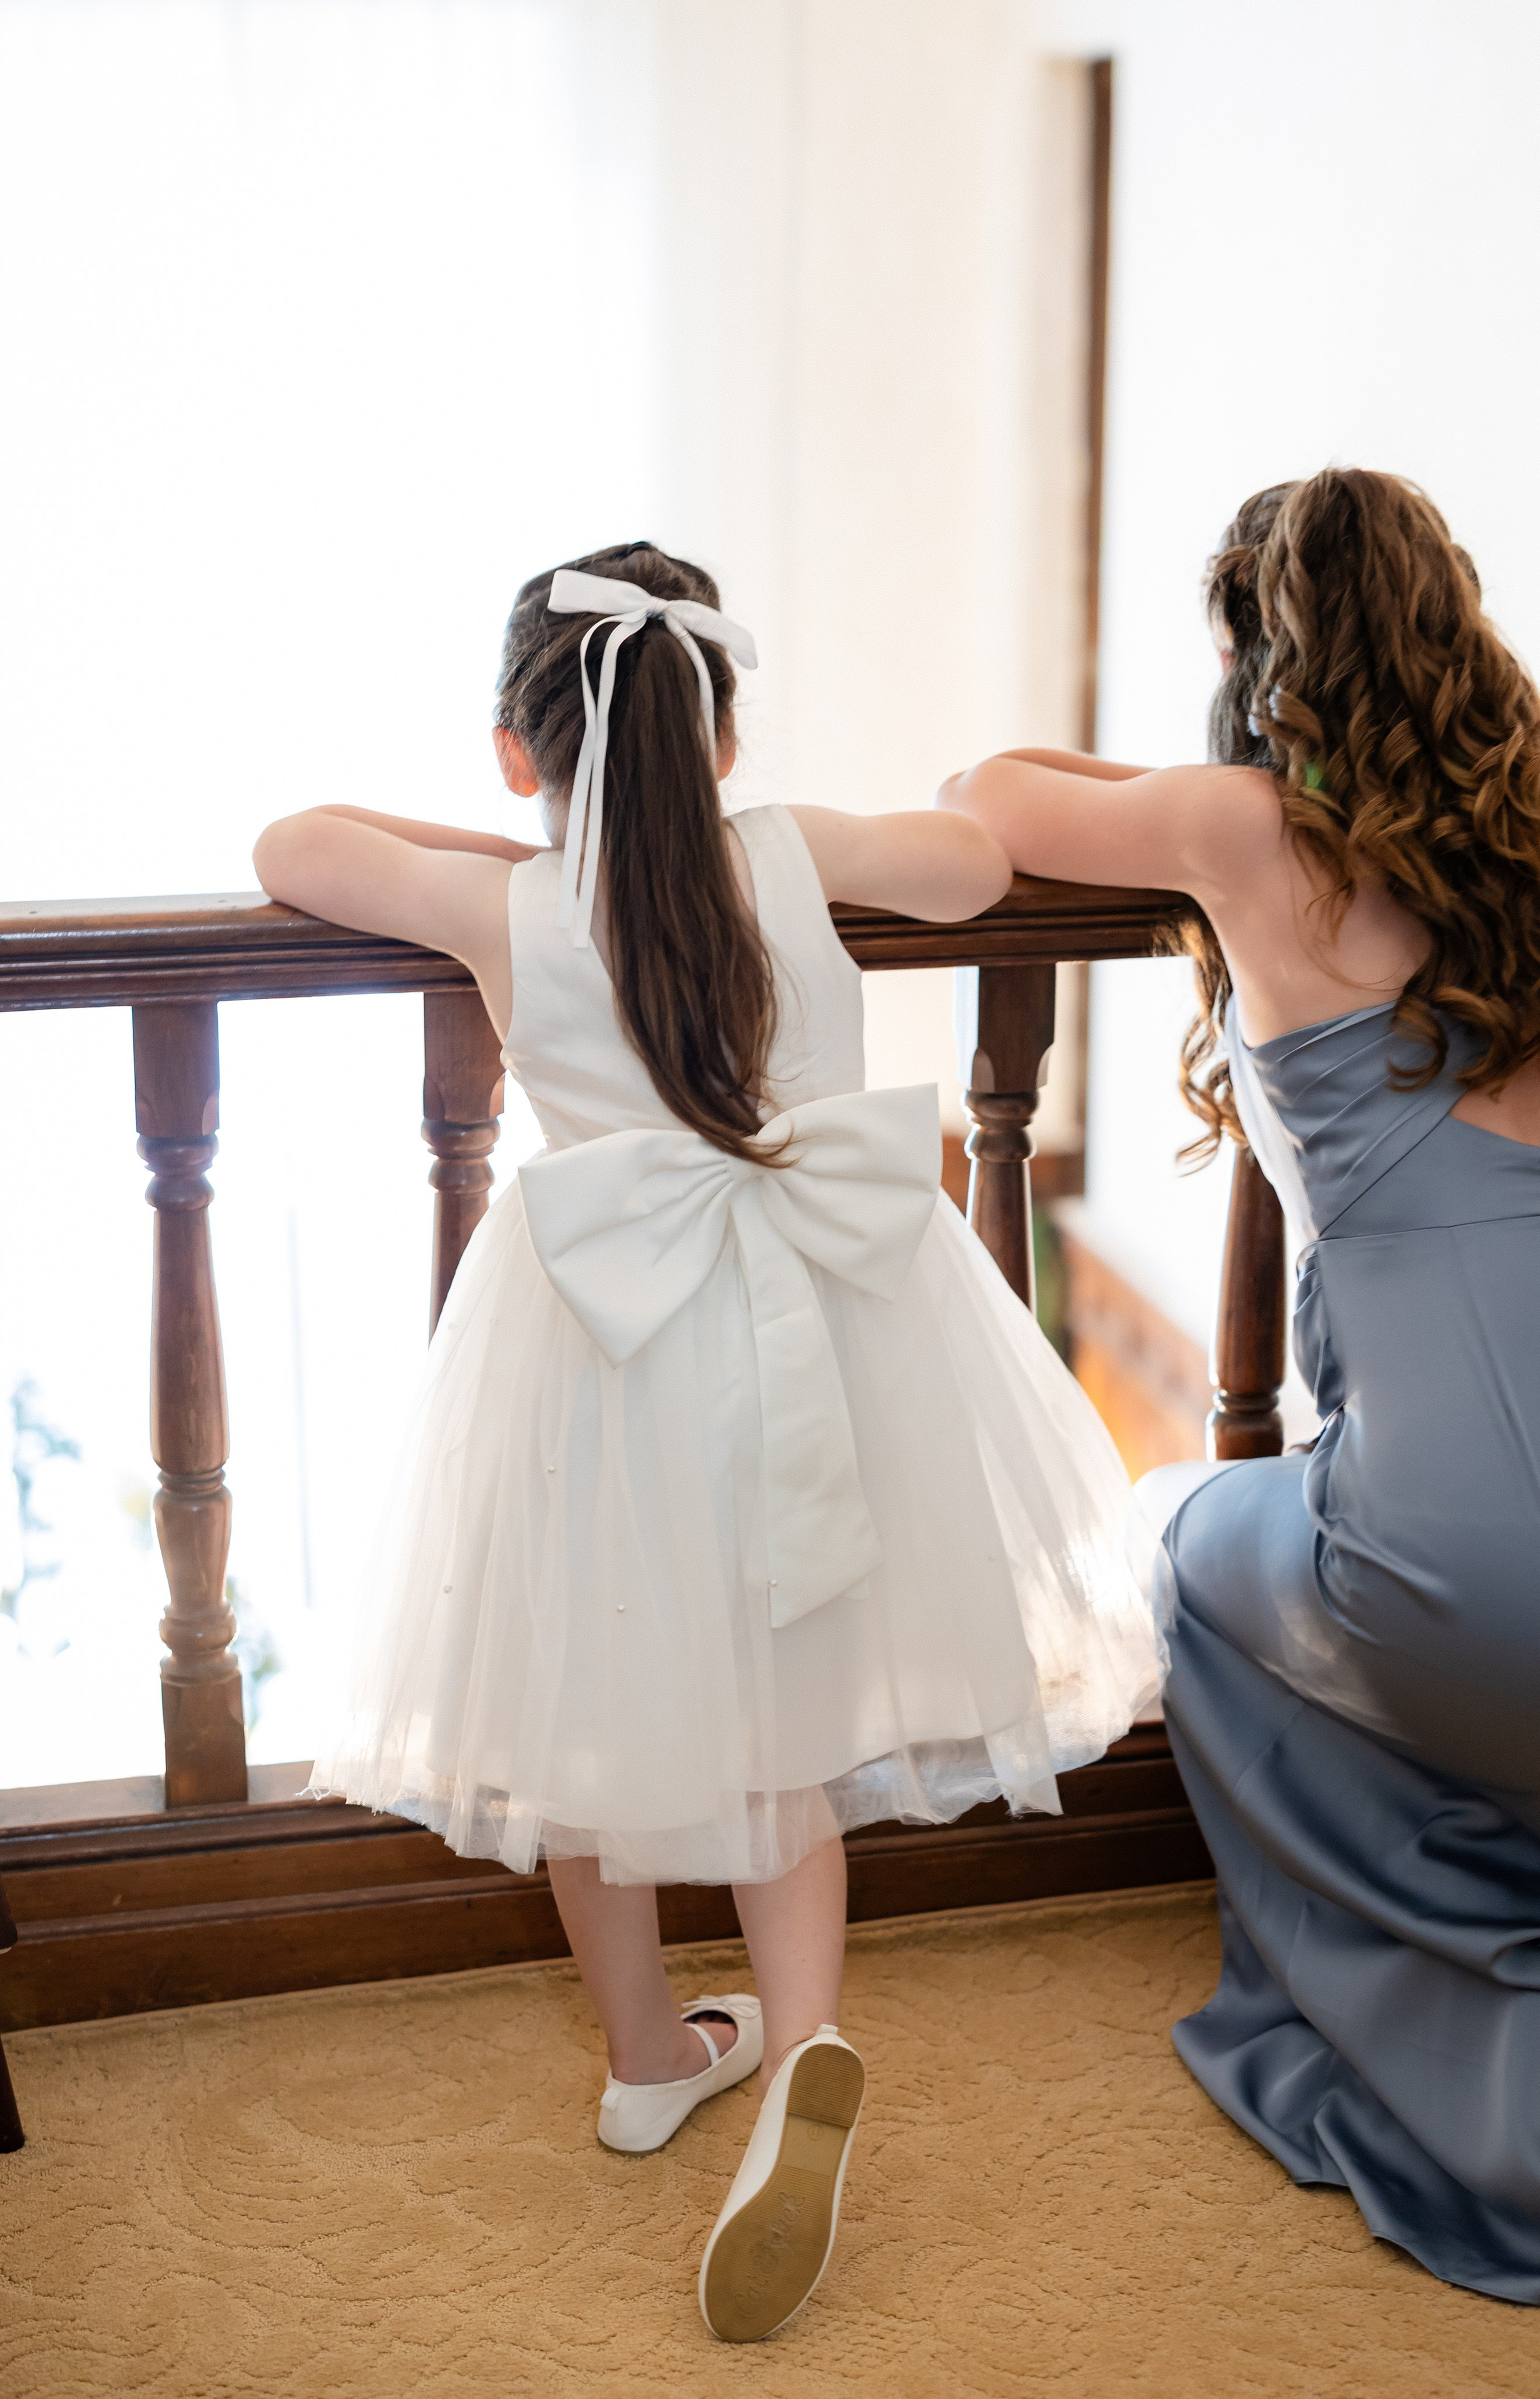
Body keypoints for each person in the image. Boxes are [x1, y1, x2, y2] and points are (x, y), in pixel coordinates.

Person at [254, 541, 1161, 2342]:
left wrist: (542, 849)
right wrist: (720, 821)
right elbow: (976, 859)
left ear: (526, 749)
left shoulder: (506, 906)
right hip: (821, 1326)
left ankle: (652, 2056)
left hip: (606, 1345)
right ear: (721, 731)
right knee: (784, 1709)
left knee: (597, 1701)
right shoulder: (792, 849)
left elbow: (293, 848)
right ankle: (805, 2042)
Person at [942, 468, 1540, 2304]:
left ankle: (1453, 1989)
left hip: (1458, 1548)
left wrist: (1201, 757)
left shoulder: (1249, 827)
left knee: (1180, 1540)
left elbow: (989, 800)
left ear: (1263, 645)